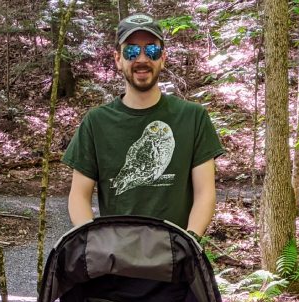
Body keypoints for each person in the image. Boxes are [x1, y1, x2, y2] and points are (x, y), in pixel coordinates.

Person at [62, 12, 225, 238]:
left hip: (177, 260)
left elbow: (205, 192)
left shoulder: (193, 118)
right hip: (115, 260)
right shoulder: (96, 122)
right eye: (131, 50)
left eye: (151, 50)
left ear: (162, 57)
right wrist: (92, 240)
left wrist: (190, 240)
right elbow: (79, 195)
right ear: (118, 59)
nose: (141, 59)